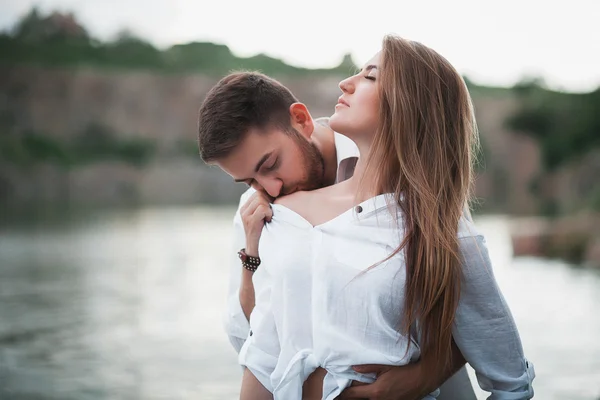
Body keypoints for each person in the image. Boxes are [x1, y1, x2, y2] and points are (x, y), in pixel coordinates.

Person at [198, 75, 477, 398]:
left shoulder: (399, 167)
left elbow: (474, 308)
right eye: (249, 180)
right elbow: (249, 336)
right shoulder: (257, 210)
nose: (270, 188)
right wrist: (253, 252)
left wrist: (422, 377)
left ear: (300, 120)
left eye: (271, 164)